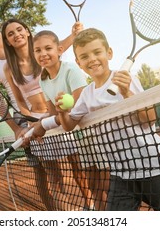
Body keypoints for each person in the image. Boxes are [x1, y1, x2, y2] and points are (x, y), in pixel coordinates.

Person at [53, 28, 160, 211]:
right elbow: (69, 125)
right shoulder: (87, 94)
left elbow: (150, 119)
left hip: (152, 165)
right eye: (85, 56)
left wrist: (127, 93)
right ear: (78, 62)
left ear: (109, 53)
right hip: (121, 173)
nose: (92, 59)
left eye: (97, 52)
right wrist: (62, 112)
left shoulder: (125, 79)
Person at [0, 8, 73, 210]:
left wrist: (75, 34)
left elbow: (55, 49)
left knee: (75, 162)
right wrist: (17, 128)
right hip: (24, 117)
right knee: (41, 171)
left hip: (54, 108)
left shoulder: (26, 42)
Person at [2, 19, 84, 210]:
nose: (16, 35)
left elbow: (59, 47)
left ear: (28, 31)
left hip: (57, 113)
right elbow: (19, 101)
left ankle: (90, 207)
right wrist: (33, 123)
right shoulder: (9, 67)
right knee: (54, 174)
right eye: (10, 34)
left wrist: (74, 33)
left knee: (77, 166)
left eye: (19, 29)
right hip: (37, 120)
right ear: (7, 41)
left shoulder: (41, 54)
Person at [30, 30, 99, 210]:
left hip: (94, 133)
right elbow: (54, 113)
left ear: (59, 50)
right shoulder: (43, 81)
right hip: (78, 136)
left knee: (102, 185)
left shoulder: (71, 69)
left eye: (48, 48)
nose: (43, 53)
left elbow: (80, 106)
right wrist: (36, 127)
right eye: (37, 50)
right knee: (94, 185)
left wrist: (45, 124)